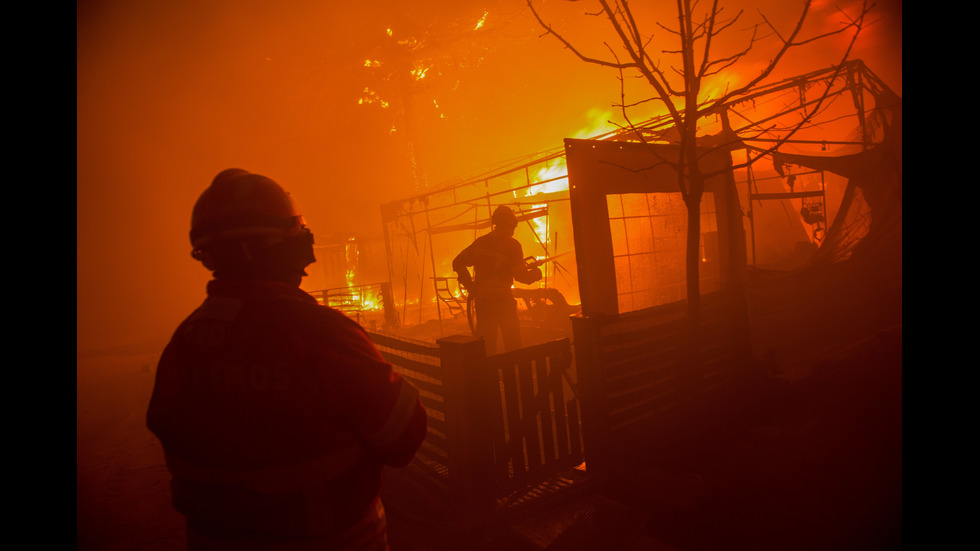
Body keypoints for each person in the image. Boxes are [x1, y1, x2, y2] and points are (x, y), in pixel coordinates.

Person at [146, 169, 426, 551]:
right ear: (274, 246)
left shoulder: (185, 342)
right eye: (298, 235)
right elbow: (403, 435)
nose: (305, 246)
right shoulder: (318, 331)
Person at [452, 205, 542, 354]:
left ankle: (488, 375)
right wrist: (536, 274)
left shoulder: (480, 242)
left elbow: (457, 262)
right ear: (509, 224)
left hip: (483, 303)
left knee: (486, 347)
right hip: (503, 302)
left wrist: (470, 286)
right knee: (512, 344)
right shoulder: (512, 245)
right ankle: (512, 374)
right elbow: (521, 277)